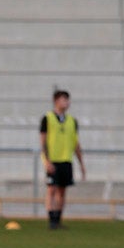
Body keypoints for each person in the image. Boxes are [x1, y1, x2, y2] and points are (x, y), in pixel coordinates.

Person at [39, 89, 86, 229]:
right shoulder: (47, 118)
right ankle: (51, 219)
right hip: (53, 160)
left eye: (67, 100)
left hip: (66, 160)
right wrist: (46, 161)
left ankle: (58, 219)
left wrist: (81, 164)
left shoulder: (72, 121)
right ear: (56, 101)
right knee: (51, 189)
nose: (66, 102)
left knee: (62, 191)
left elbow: (76, 143)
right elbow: (43, 141)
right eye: (63, 99)